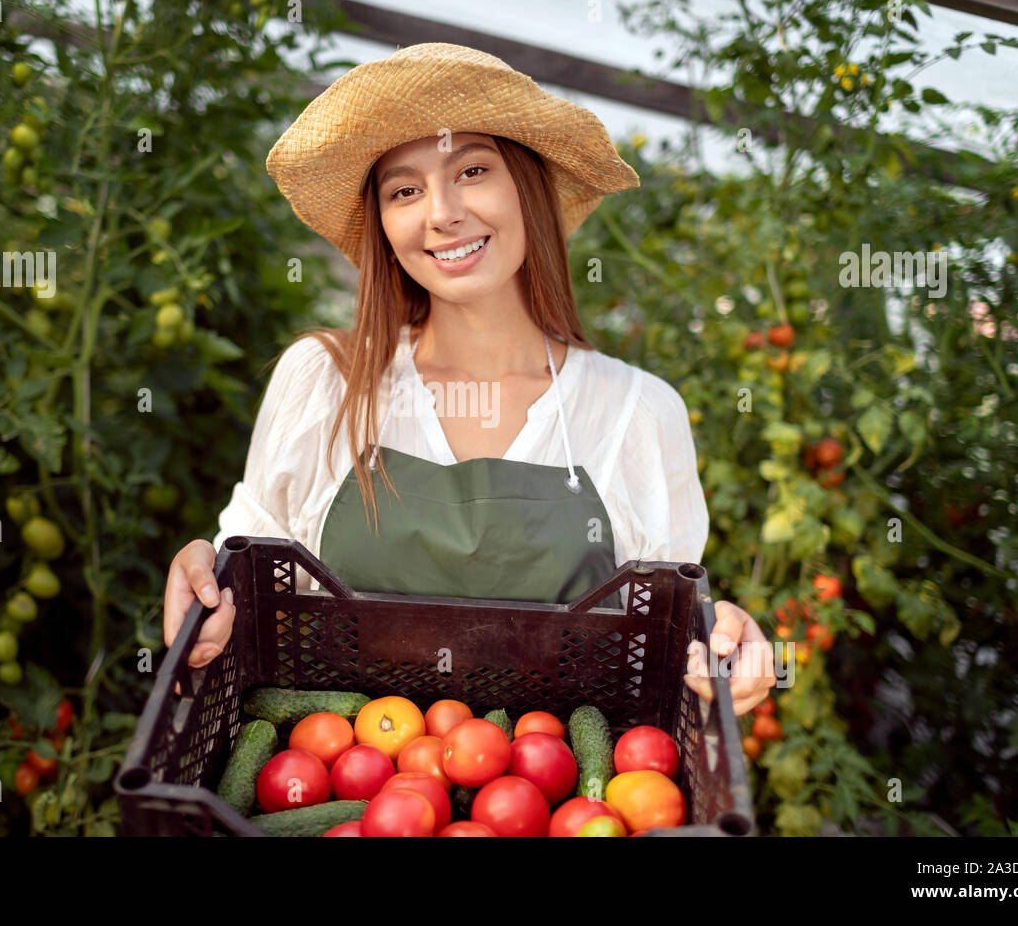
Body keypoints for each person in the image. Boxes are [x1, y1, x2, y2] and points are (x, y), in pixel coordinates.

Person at [163, 43, 774, 714]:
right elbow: (242, 581)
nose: (441, 213)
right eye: (404, 190)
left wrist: (725, 642)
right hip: (338, 793)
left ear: (528, 189)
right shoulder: (323, 383)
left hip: (564, 807)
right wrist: (200, 570)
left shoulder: (639, 414)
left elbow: (668, 641)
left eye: (473, 170)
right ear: (385, 230)